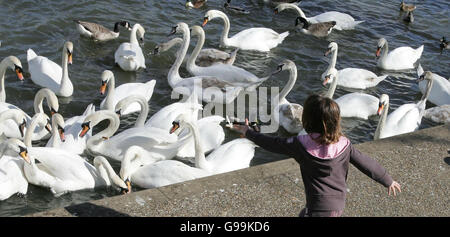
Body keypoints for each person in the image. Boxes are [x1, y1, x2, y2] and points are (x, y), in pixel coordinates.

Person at [231, 94, 401, 217]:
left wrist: (249, 132)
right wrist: (387, 179)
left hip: (318, 206)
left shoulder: (300, 145)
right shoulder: (345, 144)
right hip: (337, 204)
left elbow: (272, 143)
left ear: (306, 120)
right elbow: (366, 162)